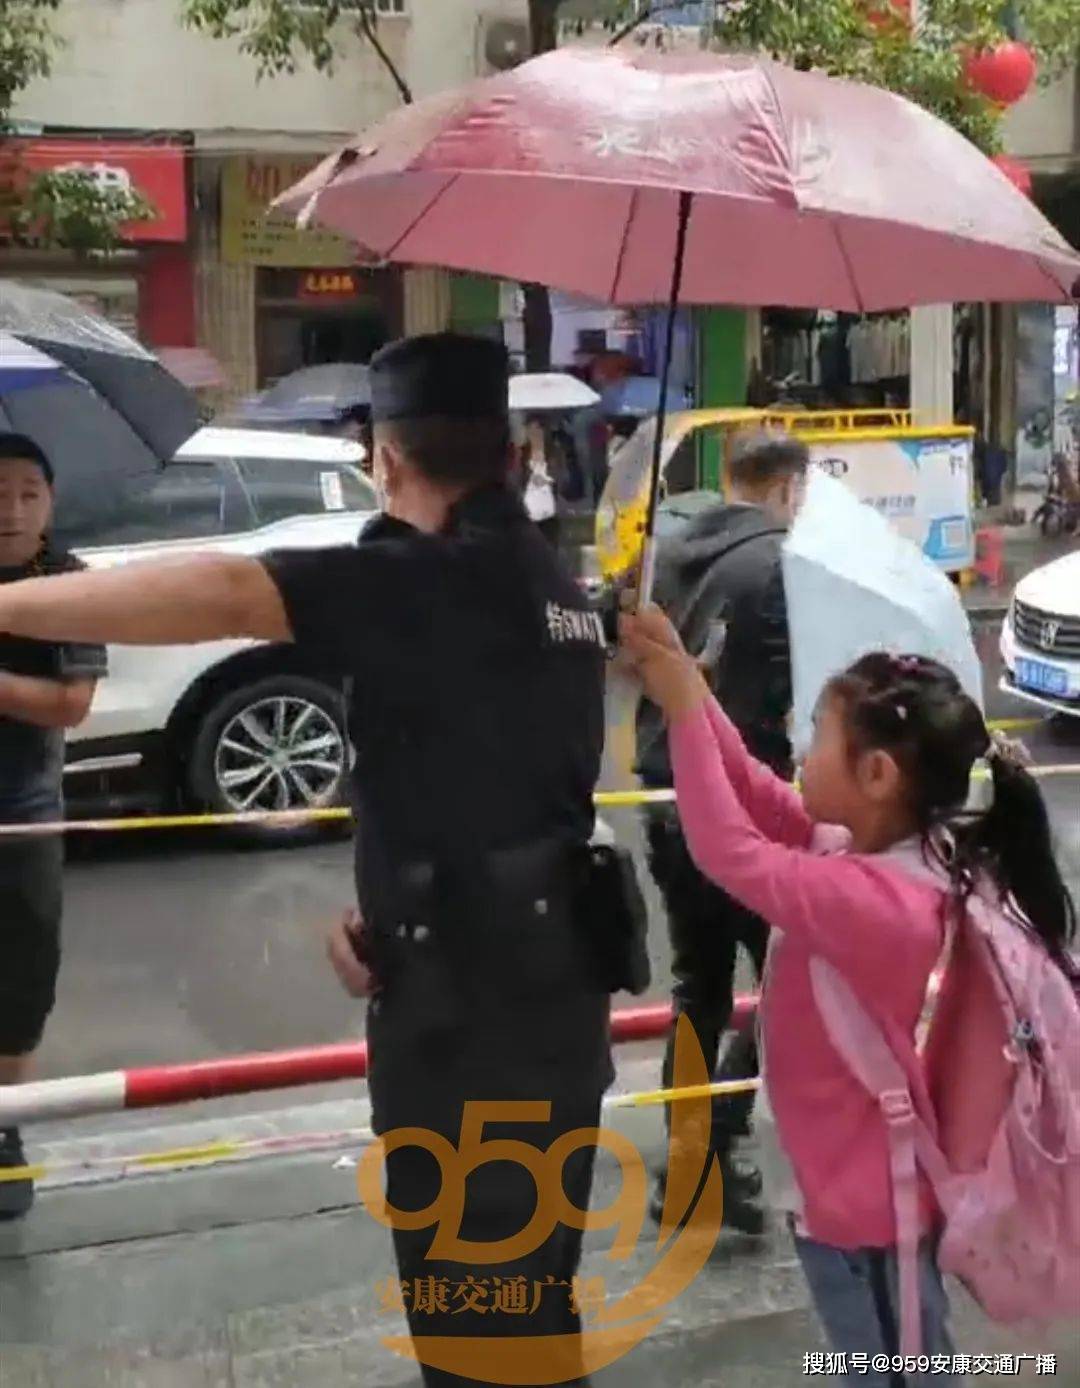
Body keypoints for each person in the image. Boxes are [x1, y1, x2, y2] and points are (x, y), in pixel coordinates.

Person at [0, 336, 612, 1386]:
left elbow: (231, 593)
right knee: (520, 1298)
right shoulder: (541, 574)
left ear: (386, 458)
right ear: (511, 455)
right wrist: (389, 902)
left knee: (482, 1325)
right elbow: (486, 781)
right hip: (531, 990)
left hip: (477, 1032)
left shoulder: (440, 578)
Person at [621, 607, 1076, 1385]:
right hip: (864, 1199)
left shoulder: (878, 903)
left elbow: (728, 849)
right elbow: (761, 800)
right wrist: (687, 689)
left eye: (820, 737)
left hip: (868, 1217)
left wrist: (687, 706)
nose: (801, 750)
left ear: (876, 776)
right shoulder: (885, 852)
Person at [635, 428, 808, 1234]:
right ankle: (722, 1132)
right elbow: (786, 694)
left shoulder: (668, 548)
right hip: (741, 803)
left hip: (664, 794)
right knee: (796, 979)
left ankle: (691, 1162)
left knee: (698, 988)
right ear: (785, 487)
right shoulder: (779, 563)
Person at [0, 434, 106, 1219]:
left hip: (23, 812)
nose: (11, 509)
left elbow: (71, 705)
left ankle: (6, 1134)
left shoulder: (67, 583)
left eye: (28, 492)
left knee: (20, 974)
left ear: (51, 502)